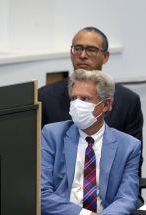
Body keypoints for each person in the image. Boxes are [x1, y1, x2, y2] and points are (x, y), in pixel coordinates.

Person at [41, 69, 140, 215]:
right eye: (74, 98)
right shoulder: (51, 134)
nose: (77, 105)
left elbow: (127, 199)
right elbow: (41, 194)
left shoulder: (129, 146)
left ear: (105, 105)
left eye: (85, 99)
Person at [38, 27, 143, 175]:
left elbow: (133, 162)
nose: (82, 55)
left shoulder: (128, 101)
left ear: (105, 56)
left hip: (109, 188)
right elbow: (38, 160)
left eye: (91, 50)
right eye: (77, 48)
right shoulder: (45, 96)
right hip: (61, 188)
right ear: (70, 53)